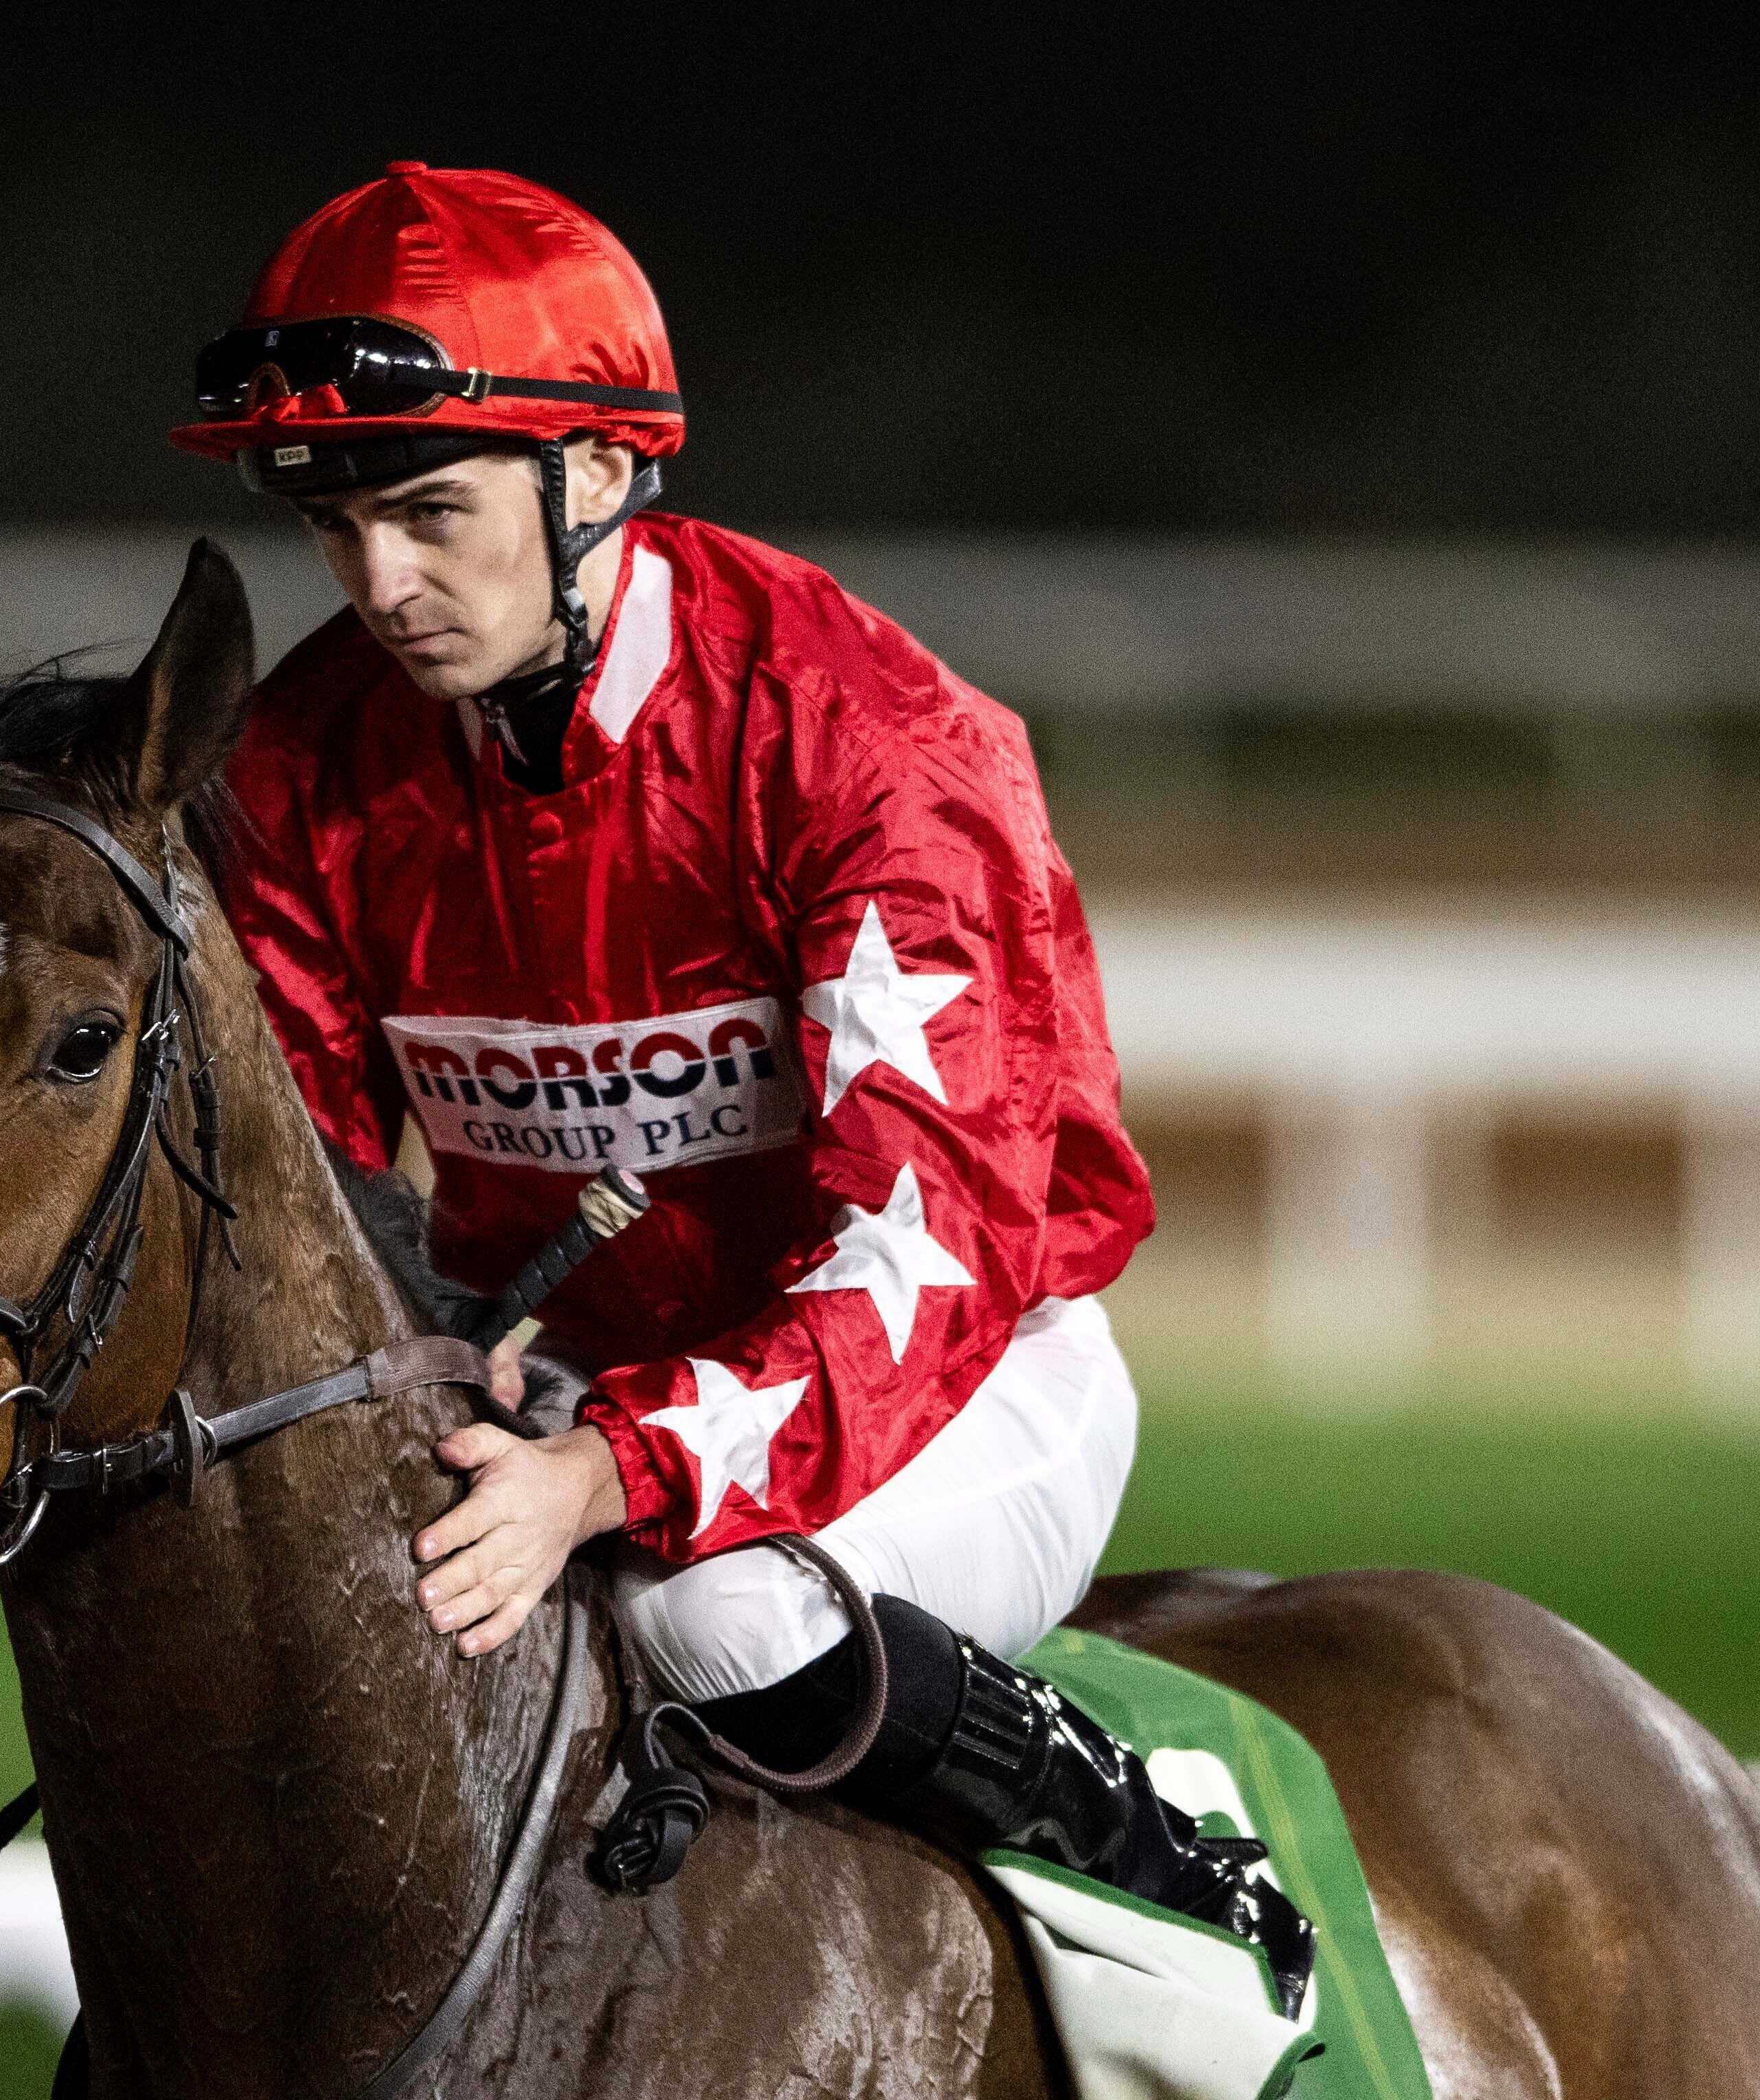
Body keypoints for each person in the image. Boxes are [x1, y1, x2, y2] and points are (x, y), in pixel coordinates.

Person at [186, 163, 1307, 1997]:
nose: (381, 585)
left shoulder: (866, 747)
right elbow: (305, 1190)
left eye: (432, 515)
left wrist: (609, 1469)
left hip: (956, 1395)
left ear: (602, 474)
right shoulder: (311, 765)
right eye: (337, 531)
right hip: (576, 1404)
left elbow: (922, 1267)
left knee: (708, 1600)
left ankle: (1168, 1883)